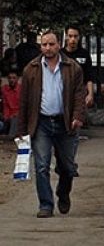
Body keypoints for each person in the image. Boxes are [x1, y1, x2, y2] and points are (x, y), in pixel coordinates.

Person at [17, 30, 86, 218]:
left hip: (65, 123)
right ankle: (46, 205)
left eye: (51, 44)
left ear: (58, 45)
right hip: (41, 124)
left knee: (68, 167)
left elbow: (79, 94)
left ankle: (63, 193)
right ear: (41, 46)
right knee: (41, 165)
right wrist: (22, 130)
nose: (48, 48)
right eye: (44, 44)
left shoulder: (72, 68)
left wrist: (78, 116)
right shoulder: (31, 69)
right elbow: (23, 101)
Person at [62, 26, 94, 108]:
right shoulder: (60, 54)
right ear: (66, 37)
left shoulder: (84, 54)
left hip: (79, 93)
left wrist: (90, 94)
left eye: (75, 36)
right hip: (62, 93)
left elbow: (89, 76)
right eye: (70, 36)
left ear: (79, 37)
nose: (73, 39)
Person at [2, 70, 21, 137]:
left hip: (18, 116)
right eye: (10, 78)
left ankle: (11, 137)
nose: (11, 80)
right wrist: (6, 116)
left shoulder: (22, 89)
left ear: (17, 79)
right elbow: (5, 105)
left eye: (13, 78)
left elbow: (24, 106)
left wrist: (16, 114)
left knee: (15, 119)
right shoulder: (4, 89)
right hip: (8, 116)